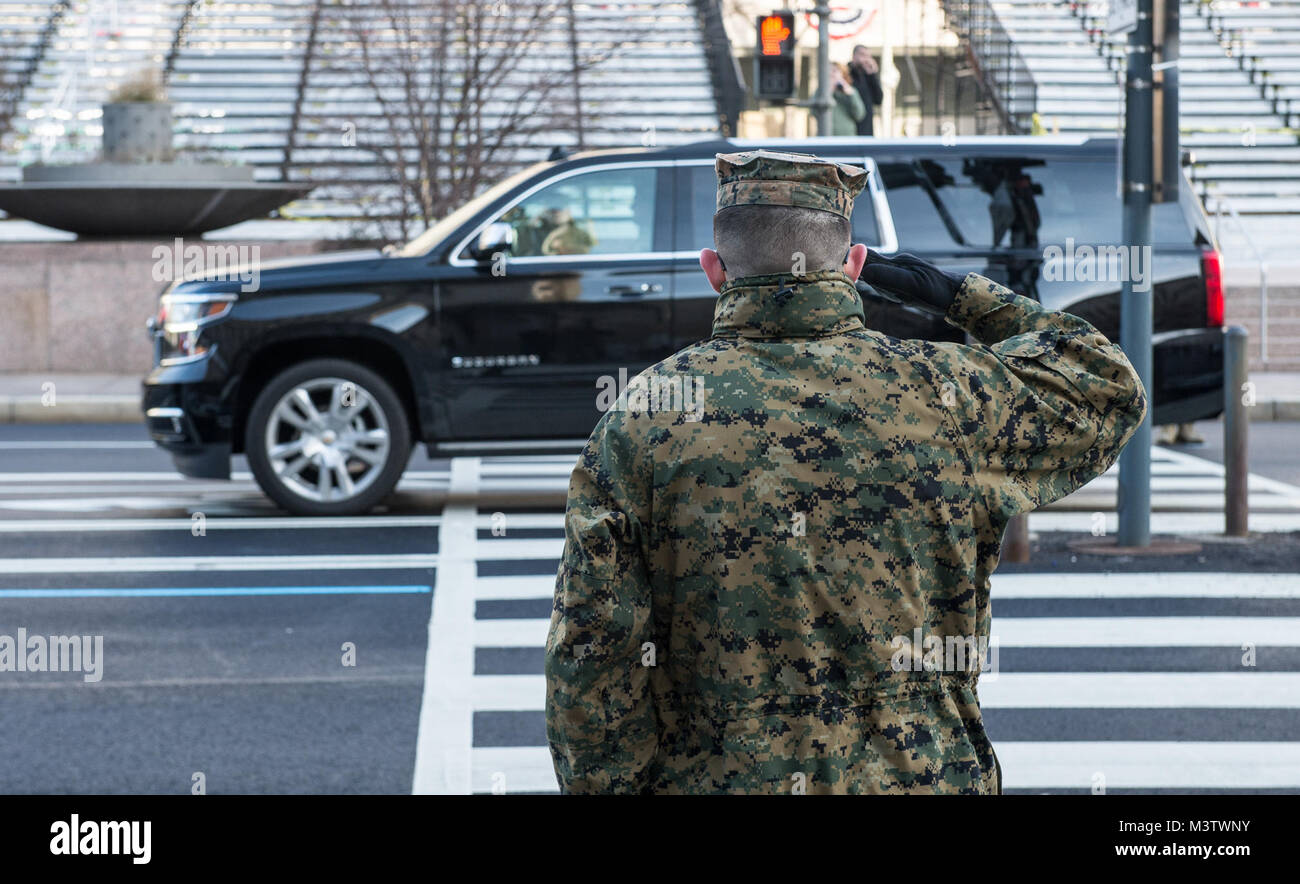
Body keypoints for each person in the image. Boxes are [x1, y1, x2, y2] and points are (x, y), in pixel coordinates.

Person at [544, 149, 1147, 794]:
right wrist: (959, 296)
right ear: (855, 265)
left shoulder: (644, 419)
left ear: (714, 270)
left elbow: (593, 649)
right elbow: (1107, 384)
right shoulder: (945, 395)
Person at [848, 44, 884, 136]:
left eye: (868, 56)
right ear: (854, 56)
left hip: (866, 128)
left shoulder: (869, 76)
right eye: (862, 55)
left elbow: (878, 99)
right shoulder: (847, 73)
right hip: (851, 128)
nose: (866, 59)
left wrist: (872, 75)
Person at [830, 62, 866, 136]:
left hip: (847, 138)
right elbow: (814, 113)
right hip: (826, 137)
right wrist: (829, 90)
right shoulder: (821, 92)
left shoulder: (851, 91)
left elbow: (859, 115)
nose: (831, 74)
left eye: (834, 71)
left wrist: (850, 94)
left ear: (842, 74)